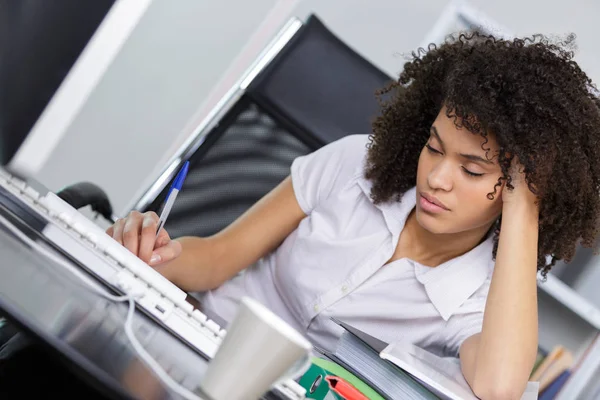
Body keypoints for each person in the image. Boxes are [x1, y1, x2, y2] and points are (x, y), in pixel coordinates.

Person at [107, 31, 600, 399]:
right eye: (433, 147)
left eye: (472, 170)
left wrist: (525, 211)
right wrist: (149, 254)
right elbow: (218, 256)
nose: (437, 177)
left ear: (516, 191)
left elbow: (497, 388)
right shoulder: (354, 164)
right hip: (192, 344)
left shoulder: (480, 295)